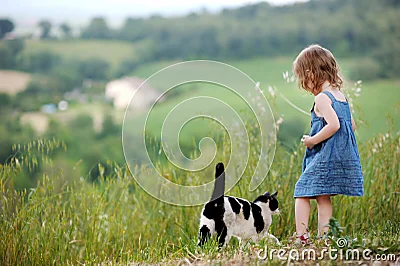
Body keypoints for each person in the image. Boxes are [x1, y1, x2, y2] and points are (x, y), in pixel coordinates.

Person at [292, 44, 364, 245]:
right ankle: (325, 238)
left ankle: (302, 237)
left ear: (311, 74)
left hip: (325, 157)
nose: (304, 84)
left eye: (303, 79)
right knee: (323, 198)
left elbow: (334, 125)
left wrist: (313, 140)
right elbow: (352, 126)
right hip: (340, 156)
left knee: (302, 192)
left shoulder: (322, 98)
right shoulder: (341, 96)